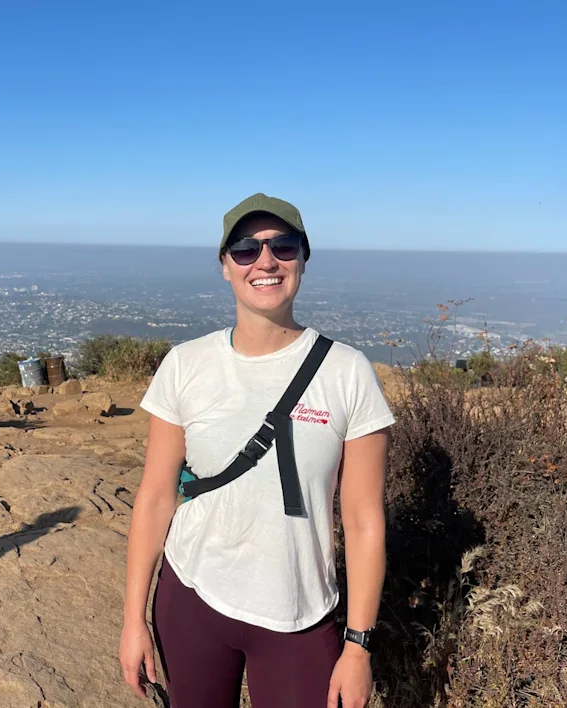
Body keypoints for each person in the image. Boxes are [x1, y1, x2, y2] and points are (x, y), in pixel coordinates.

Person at [119, 193, 394, 708]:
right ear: (225, 267)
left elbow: (362, 519)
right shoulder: (186, 365)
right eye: (245, 250)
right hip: (192, 596)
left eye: (282, 247)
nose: (265, 261)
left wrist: (358, 648)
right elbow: (156, 497)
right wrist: (133, 619)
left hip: (300, 611)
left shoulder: (347, 372)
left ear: (304, 259)